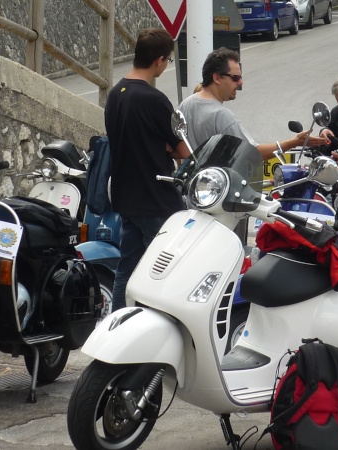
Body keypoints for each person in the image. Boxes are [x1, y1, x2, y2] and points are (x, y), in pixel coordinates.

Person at [105, 28, 190, 310]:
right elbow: (183, 150)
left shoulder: (116, 93)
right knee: (169, 269)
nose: (166, 66)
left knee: (127, 270)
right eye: (167, 60)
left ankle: (117, 325)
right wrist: (166, 147)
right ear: (159, 60)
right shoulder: (153, 100)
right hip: (157, 198)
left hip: (127, 197)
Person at [177, 47, 328, 158]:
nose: (240, 82)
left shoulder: (186, 104)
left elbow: (177, 150)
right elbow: (253, 154)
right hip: (218, 194)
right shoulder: (221, 115)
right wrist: (293, 142)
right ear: (216, 78)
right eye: (235, 78)